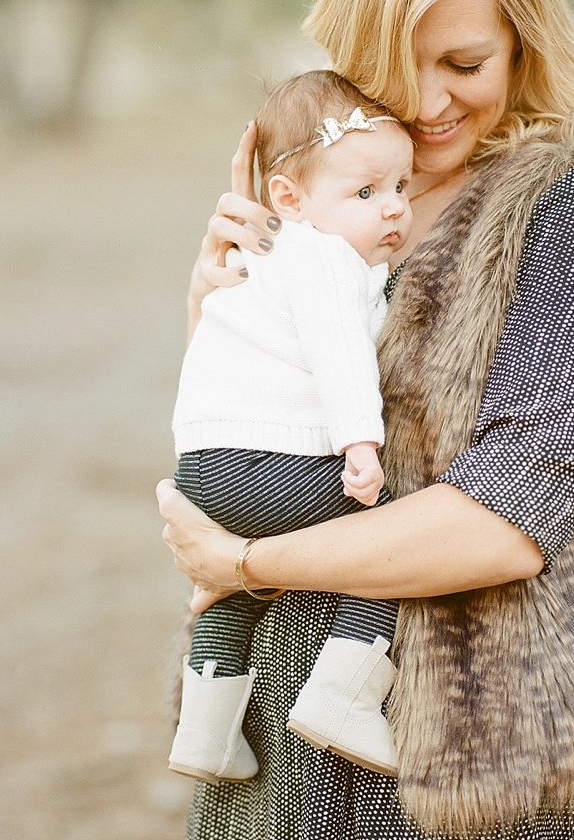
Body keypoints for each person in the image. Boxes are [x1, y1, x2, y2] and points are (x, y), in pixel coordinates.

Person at [157, 0, 574, 840]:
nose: (430, 103)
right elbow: (235, 451)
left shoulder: (564, 211)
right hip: (271, 759)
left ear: (523, 42)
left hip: (457, 775)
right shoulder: (319, 196)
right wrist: (209, 303)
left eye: (466, 64)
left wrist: (247, 560)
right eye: (398, 61)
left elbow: (505, 522)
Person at [169, 70, 414, 785]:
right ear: (288, 199)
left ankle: (206, 733)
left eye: (401, 186)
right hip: (270, 459)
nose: (393, 208)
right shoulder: (323, 257)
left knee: (239, 589)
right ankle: (345, 694)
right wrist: (360, 446)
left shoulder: (263, 261)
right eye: (366, 193)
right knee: (388, 539)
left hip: (207, 465)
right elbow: (341, 356)